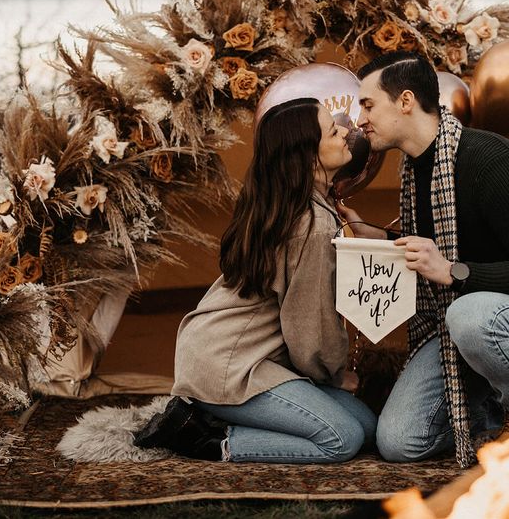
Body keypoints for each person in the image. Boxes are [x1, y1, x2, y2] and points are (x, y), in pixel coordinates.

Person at [338, 51, 509, 467]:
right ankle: (490, 416)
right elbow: (448, 245)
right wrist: (381, 237)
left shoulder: (489, 158)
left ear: (406, 101)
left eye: (368, 104)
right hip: (462, 324)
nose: (360, 119)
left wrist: (451, 272)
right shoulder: (415, 171)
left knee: (470, 315)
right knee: (398, 442)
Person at [134, 97, 377, 463]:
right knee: (342, 439)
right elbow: (309, 325)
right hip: (228, 366)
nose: (346, 131)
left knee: (367, 426)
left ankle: (213, 413)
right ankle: (203, 437)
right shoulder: (311, 226)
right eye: (333, 129)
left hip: (238, 355)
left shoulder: (290, 203)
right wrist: (333, 376)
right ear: (309, 155)